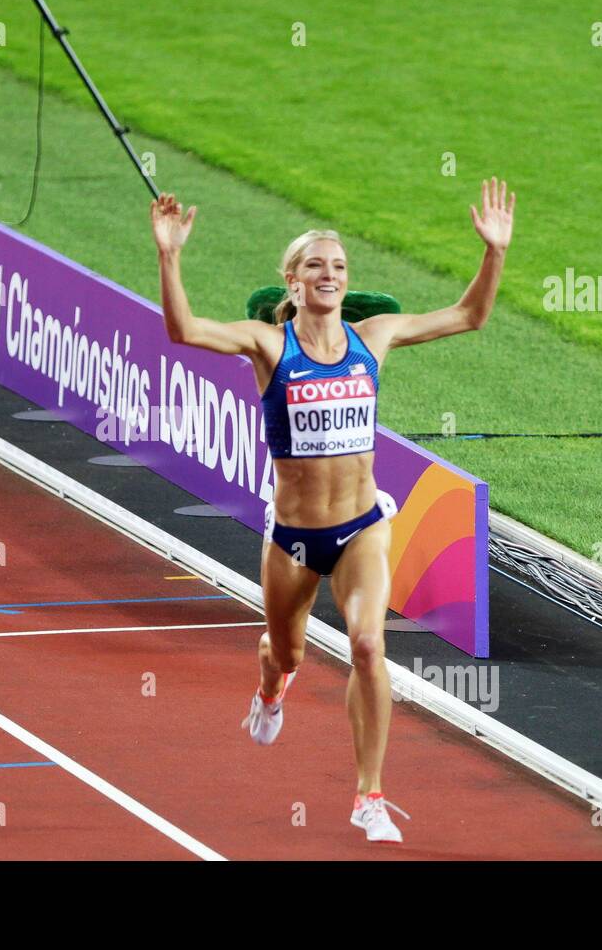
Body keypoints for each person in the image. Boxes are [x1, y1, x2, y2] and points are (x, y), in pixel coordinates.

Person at [151, 178, 515, 842]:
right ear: (292, 281)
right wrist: (169, 255)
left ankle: (368, 796)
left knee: (369, 645)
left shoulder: (373, 338)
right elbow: (184, 330)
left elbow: (469, 317)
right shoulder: (269, 347)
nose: (330, 273)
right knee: (286, 653)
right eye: (316, 264)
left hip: (360, 529)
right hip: (292, 537)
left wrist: (493, 252)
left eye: (339, 266)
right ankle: (270, 690)